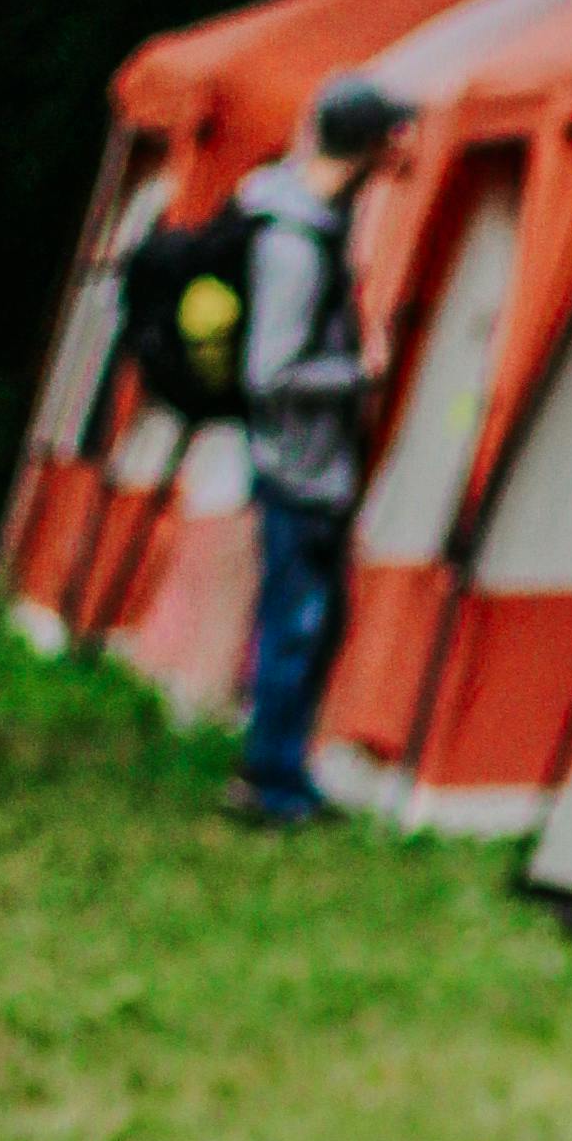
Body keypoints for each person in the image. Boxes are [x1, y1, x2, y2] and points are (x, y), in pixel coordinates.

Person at [223, 75, 392, 827]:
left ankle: (283, 768)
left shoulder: (303, 223)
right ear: (364, 147)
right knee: (295, 621)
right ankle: (271, 781)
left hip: (303, 463)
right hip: (297, 464)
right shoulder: (295, 243)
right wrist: (359, 374)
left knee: (308, 621)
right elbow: (272, 371)